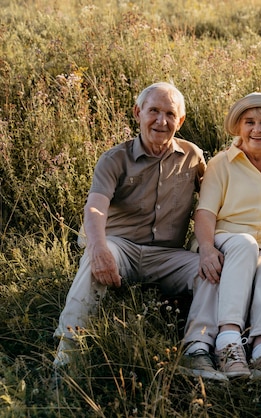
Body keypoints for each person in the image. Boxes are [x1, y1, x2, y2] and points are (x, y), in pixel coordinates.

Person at [53, 82, 226, 382]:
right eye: (154, 111)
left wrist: (209, 248)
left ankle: (196, 350)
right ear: (138, 113)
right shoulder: (115, 159)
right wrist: (97, 248)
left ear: (180, 121)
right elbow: (95, 207)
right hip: (122, 248)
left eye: (170, 113)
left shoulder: (192, 156)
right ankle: (67, 354)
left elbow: (212, 205)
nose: (161, 121)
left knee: (211, 271)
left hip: (169, 255)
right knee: (95, 259)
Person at [194, 92, 261, 380]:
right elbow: (205, 211)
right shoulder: (222, 163)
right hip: (227, 237)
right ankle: (229, 344)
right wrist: (206, 248)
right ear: (239, 127)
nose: (258, 129)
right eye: (250, 122)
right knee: (245, 243)